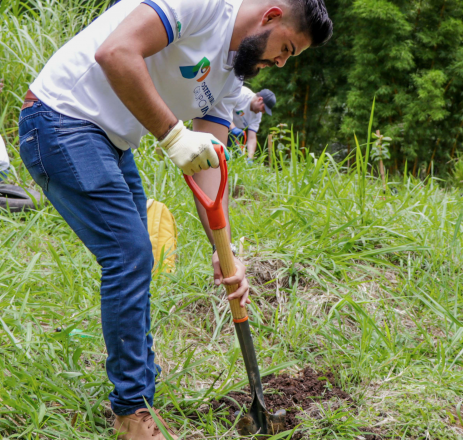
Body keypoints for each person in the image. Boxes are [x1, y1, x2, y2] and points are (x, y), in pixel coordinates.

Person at [18, 0, 332, 438]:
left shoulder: (232, 75)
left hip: (110, 139)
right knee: (129, 255)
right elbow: (115, 52)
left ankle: (140, 391)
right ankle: (131, 413)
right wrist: (170, 134)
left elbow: (208, 161)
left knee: (137, 255)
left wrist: (226, 253)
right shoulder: (204, 5)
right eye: (286, 48)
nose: (280, 62)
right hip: (59, 117)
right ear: (272, 15)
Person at [228, 87, 276, 163]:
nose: (263, 112)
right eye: (263, 108)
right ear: (260, 99)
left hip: (232, 135)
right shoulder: (241, 94)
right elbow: (223, 108)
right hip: (217, 121)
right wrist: (233, 128)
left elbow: (252, 138)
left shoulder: (257, 115)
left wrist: (250, 157)